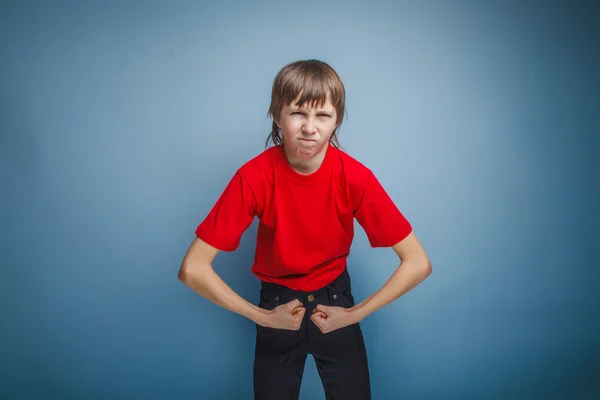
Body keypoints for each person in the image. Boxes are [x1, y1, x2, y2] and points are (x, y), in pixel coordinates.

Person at [178, 59, 432, 400]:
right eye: (298, 112)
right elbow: (192, 268)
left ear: (336, 119)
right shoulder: (253, 177)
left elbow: (418, 262)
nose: (309, 127)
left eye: (322, 115)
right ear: (277, 115)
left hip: (336, 302)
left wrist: (354, 315)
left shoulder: (355, 177)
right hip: (277, 305)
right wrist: (263, 318)